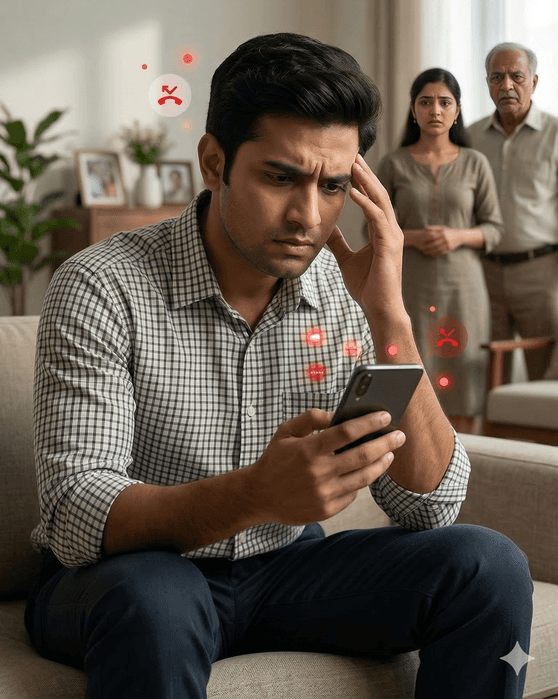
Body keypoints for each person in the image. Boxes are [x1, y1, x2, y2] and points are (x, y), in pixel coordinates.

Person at [25, 34, 532, 699]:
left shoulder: (342, 288)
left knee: (489, 564)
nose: (308, 216)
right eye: (280, 177)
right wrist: (256, 494)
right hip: (135, 576)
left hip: (287, 569)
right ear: (214, 161)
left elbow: (427, 505)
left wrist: (389, 316)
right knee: (154, 599)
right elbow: (73, 511)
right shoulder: (101, 284)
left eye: (333, 186)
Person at [376, 69, 504, 435]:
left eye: (444, 102)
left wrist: (456, 236)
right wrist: (413, 238)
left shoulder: (475, 163)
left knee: (463, 374)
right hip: (410, 286)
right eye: (426, 101)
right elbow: (374, 229)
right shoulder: (393, 163)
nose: (435, 110)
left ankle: (465, 459)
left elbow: (495, 229)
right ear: (413, 111)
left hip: (464, 288)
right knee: (411, 370)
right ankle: (414, 463)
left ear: (457, 110)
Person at [467, 42, 558, 382]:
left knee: (544, 382)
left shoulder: (555, 134)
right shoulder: (470, 137)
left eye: (516, 77)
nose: (506, 86)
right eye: (496, 77)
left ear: (534, 81)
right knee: (486, 375)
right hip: (483, 273)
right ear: (487, 83)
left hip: (541, 275)